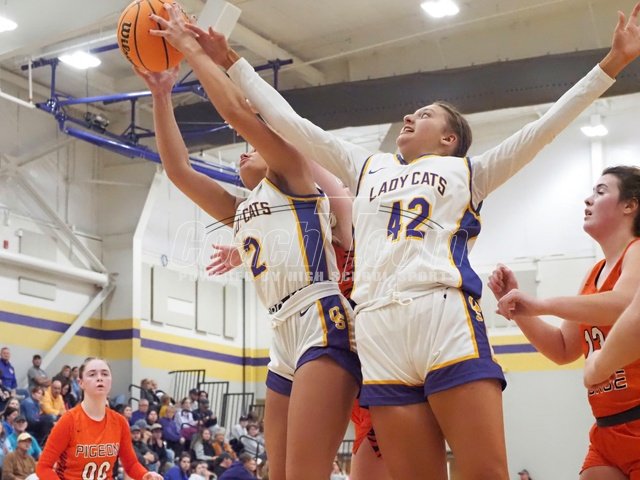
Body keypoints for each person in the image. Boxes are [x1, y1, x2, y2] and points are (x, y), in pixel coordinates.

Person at [187, 3, 640, 478]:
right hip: (379, 328)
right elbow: (294, 124)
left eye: (424, 114)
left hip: (442, 315)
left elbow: (545, 127)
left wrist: (611, 63)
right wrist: (231, 61)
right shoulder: (368, 166)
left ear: (448, 139)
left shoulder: (470, 171)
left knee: (486, 473)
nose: (408, 115)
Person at [141, 7, 361, 480]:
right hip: (280, 332)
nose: (244, 152)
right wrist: (161, 96)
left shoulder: (294, 175)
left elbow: (238, 113)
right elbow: (178, 171)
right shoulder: (240, 208)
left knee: (305, 473)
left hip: (321, 319)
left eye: (253, 146)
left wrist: (192, 50)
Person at [489, 166, 640, 479]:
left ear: (630, 205)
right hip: (607, 428)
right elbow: (562, 349)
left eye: (600, 192)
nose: (588, 199)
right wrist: (520, 310)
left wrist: (542, 304)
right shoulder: (593, 273)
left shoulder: (637, 251)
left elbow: (624, 305)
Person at [35, 357, 163, 480]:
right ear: (81, 383)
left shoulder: (120, 422)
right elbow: (43, 467)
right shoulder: (69, 420)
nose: (100, 378)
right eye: (92, 374)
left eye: (105, 374)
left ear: (110, 381)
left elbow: (131, 464)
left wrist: (145, 475)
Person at [584, 284, 640, 389]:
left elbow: (635, 320)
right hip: (605, 393)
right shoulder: (589, 279)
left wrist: (597, 368)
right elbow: (563, 349)